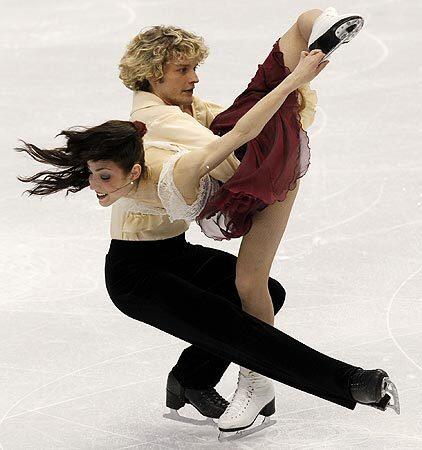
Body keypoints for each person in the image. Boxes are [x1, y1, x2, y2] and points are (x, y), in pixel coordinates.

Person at [15, 13, 400, 441]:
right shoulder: (158, 120)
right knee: (239, 329)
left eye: (195, 67)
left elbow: (246, 120)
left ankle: (191, 378)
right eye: (182, 69)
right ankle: (351, 382)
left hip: (174, 252)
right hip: (136, 275)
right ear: (151, 76)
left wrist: (285, 99)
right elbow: (234, 150)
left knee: (265, 294)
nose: (194, 77)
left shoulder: (189, 109)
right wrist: (284, 100)